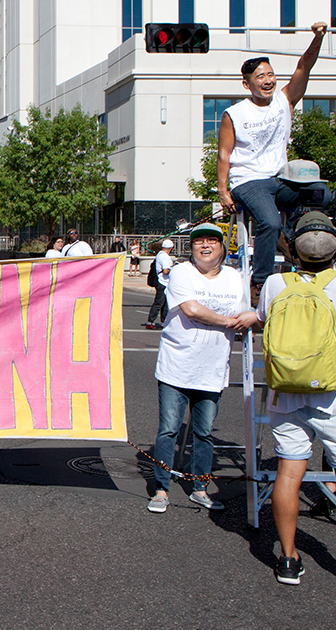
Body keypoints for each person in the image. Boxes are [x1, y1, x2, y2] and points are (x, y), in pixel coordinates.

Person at [217, 23, 332, 305]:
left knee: (323, 194)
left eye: (270, 75)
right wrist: (223, 192)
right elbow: (223, 154)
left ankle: (308, 252)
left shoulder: (284, 100)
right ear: (247, 83)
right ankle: (261, 282)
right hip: (248, 182)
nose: (267, 80)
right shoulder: (235, 113)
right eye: (260, 77)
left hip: (280, 179)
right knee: (268, 222)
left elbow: (305, 66)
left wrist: (318, 37)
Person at [146, 224, 257, 514]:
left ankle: (199, 487)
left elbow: (249, 313)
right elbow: (192, 310)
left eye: (212, 241)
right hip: (176, 365)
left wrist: (250, 317)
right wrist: (230, 321)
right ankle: (160, 489)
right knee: (168, 429)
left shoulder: (235, 277)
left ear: (222, 247)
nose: (205, 246)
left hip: (213, 368)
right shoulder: (182, 272)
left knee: (204, 432)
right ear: (191, 248)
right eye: (198, 242)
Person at [255, 211, 336, 585]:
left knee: (290, 471)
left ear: (294, 246)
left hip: (285, 392)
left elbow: (261, 318)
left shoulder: (274, 283)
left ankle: (288, 558)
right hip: (331, 393)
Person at [145, 240, 176, 330]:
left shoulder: (159, 254)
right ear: (171, 248)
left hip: (162, 282)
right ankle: (150, 321)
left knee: (164, 304)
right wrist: (174, 269)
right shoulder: (165, 257)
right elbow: (166, 271)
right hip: (163, 282)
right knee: (159, 303)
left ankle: (164, 322)